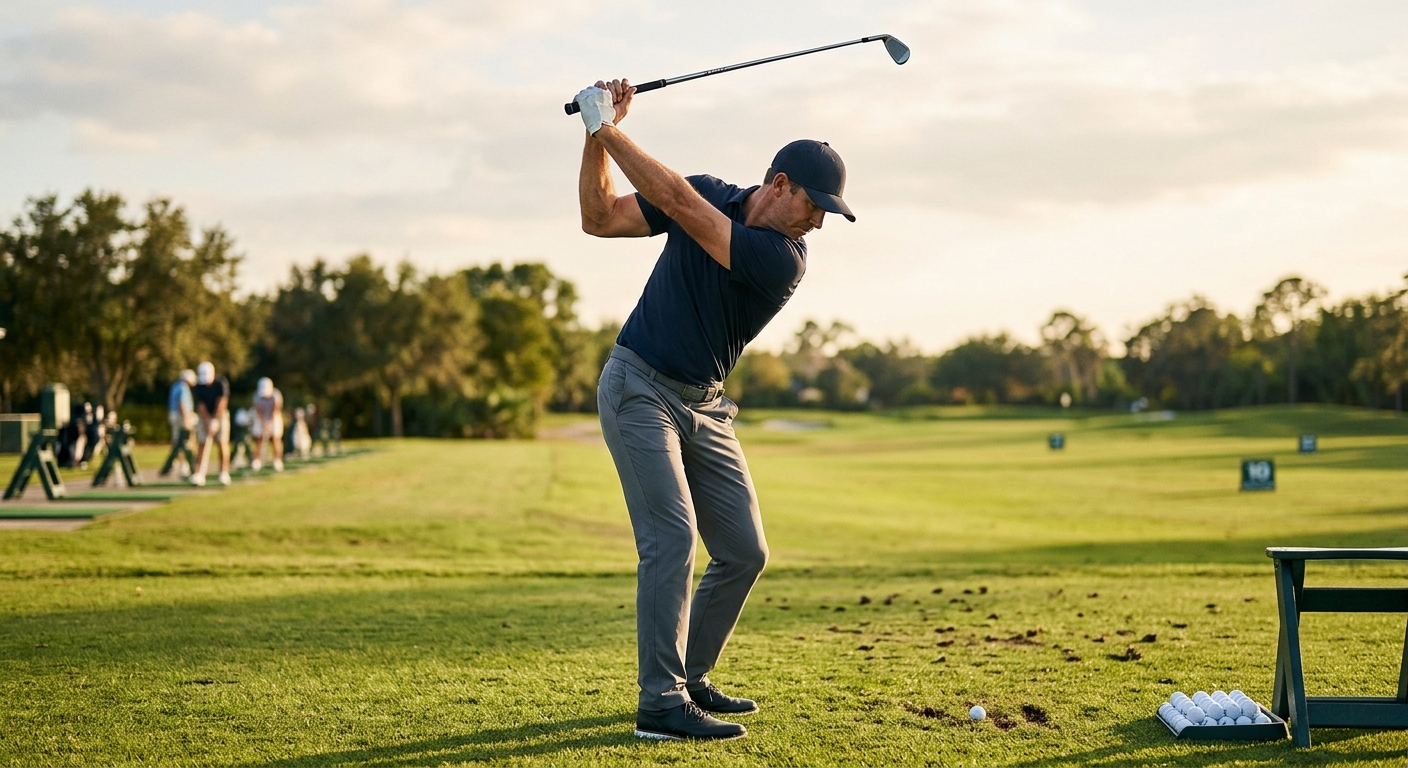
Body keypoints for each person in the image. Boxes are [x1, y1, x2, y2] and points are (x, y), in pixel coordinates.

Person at [574, 79, 854, 741]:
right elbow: (600, 216)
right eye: (817, 207)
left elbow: (678, 202)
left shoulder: (782, 258)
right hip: (638, 387)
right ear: (780, 184)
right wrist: (594, 137)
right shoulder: (709, 189)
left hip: (705, 407)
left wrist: (606, 125)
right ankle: (660, 706)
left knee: (743, 551)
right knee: (670, 541)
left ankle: (689, 677)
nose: (819, 224)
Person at [191, 361, 231, 486]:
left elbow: (222, 402)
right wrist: (208, 421)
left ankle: (224, 473)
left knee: (222, 442)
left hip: (221, 414)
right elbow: (201, 406)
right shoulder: (198, 386)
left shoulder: (221, 383)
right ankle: (199, 473)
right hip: (205, 417)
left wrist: (215, 420)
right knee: (202, 443)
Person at [166, 369, 198, 477]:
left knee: (178, 442)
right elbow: (182, 404)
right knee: (183, 442)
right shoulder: (182, 387)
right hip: (181, 417)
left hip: (176, 416)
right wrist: (186, 420)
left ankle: (176, 465)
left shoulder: (176, 385)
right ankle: (183, 466)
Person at [251, 377, 284, 472]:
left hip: (274, 417)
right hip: (260, 418)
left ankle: (277, 461)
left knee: (276, 438)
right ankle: (257, 461)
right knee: (259, 438)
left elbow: (276, 409)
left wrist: (269, 423)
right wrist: (264, 423)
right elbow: (258, 410)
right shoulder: (257, 395)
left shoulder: (276, 394)